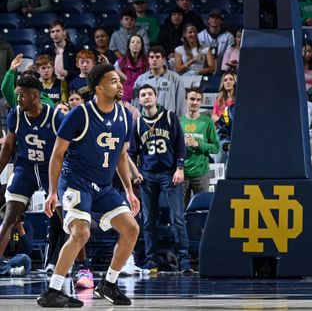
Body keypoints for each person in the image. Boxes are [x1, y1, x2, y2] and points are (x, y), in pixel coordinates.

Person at [38, 64, 140, 307]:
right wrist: (52, 192)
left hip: (104, 186)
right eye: (113, 81)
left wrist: (128, 190)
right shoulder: (80, 114)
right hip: (75, 181)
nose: (119, 85)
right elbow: (56, 155)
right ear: (99, 88)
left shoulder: (125, 115)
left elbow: (122, 156)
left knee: (131, 229)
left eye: (119, 81)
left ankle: (109, 284)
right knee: (81, 232)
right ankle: (53, 290)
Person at [0, 76, 64, 269]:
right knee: (10, 215)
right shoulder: (16, 115)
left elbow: (65, 149)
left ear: (34, 96)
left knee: (67, 217)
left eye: (21, 95)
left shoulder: (55, 117)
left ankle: (80, 264)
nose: (17, 98)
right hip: (25, 167)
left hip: (49, 168)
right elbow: (9, 146)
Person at [131, 84, 191, 273]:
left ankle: (184, 260)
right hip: (147, 176)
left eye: (150, 94)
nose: (147, 97)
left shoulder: (169, 117)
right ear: (139, 100)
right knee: (148, 221)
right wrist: (135, 173)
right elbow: (132, 153)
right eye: (143, 95)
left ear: (156, 98)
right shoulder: (138, 122)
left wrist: (180, 168)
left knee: (177, 219)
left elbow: (181, 146)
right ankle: (152, 260)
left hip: (169, 174)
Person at [180, 87, 219, 204]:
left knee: (201, 210)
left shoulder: (208, 122)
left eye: (198, 100)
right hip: (182, 173)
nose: (195, 102)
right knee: (179, 212)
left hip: (201, 174)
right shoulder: (178, 121)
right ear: (185, 101)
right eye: (192, 99)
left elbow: (216, 148)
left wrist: (197, 144)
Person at [133, 46, 187, 116]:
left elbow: (181, 104)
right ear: (148, 60)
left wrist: (179, 123)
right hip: (146, 122)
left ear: (163, 59)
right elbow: (135, 104)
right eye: (152, 57)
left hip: (168, 121)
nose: (154, 60)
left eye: (157, 57)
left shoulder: (175, 79)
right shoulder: (140, 80)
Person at [115, 34, 149, 102]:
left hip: (142, 99)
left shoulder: (147, 63)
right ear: (129, 45)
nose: (135, 44)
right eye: (132, 42)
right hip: (124, 99)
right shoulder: (120, 63)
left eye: (138, 42)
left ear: (142, 46)